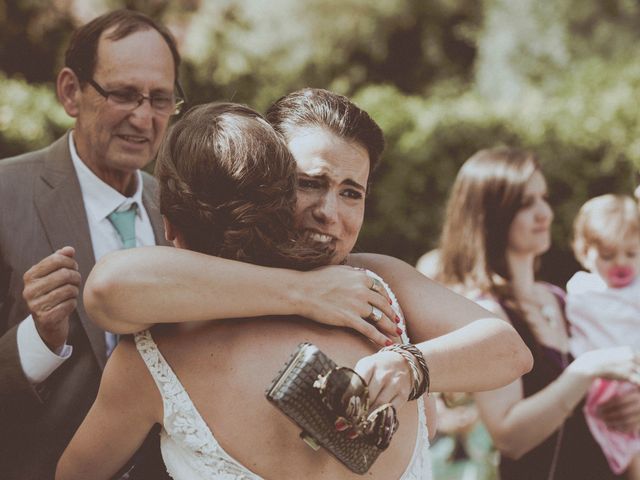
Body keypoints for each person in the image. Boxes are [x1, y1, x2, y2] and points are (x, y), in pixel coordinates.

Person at [59, 90, 532, 479]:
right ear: (264, 176)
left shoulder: (379, 281)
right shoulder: (173, 329)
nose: (331, 212)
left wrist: (411, 367)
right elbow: (107, 288)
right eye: (309, 182)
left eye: (352, 192)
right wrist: (305, 292)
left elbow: (508, 351)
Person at [0, 9, 183, 479]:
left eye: (160, 99)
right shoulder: (6, 196)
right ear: (70, 92)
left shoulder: (185, 211)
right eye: (123, 94)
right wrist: (37, 340)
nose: (143, 118)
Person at [435, 146, 640, 480]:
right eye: (525, 203)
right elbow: (509, 437)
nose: (544, 212)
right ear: (491, 214)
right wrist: (585, 370)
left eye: (543, 198)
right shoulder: (485, 312)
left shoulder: (562, 299)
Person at [567, 194, 640, 477]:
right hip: (601, 387)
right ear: (584, 252)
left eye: (631, 253)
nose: (620, 262)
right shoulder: (580, 290)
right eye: (608, 255)